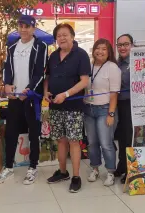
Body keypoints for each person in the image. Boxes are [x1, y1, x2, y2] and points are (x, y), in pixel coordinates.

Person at [0, 15, 48, 185]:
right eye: (21, 26)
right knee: (11, 132)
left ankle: (33, 167)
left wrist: (30, 89)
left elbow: (41, 72)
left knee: (33, 132)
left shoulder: (41, 46)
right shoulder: (12, 47)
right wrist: (7, 85)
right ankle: (8, 167)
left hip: (32, 97)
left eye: (27, 26)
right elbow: (7, 69)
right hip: (15, 97)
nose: (23, 29)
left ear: (33, 28)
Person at [44, 23, 91, 193]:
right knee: (60, 140)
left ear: (72, 36)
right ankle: (62, 172)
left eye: (65, 35)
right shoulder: (53, 56)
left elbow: (84, 81)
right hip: (55, 106)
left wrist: (66, 94)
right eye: (59, 35)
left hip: (73, 106)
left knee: (73, 141)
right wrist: (46, 92)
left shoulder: (81, 55)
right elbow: (48, 77)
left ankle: (76, 176)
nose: (62, 38)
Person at [84, 39, 121, 186]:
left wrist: (111, 114)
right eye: (97, 48)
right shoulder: (89, 66)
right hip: (88, 109)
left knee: (106, 143)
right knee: (92, 142)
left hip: (104, 109)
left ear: (109, 52)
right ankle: (95, 168)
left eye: (104, 49)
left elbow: (114, 93)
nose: (100, 51)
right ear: (93, 50)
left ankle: (110, 171)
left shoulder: (112, 67)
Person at [114, 34, 134, 184]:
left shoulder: (135, 63)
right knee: (120, 136)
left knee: (128, 137)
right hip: (117, 104)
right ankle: (121, 165)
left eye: (125, 44)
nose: (122, 47)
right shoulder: (116, 63)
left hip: (130, 105)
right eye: (119, 45)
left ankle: (129, 169)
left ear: (132, 45)